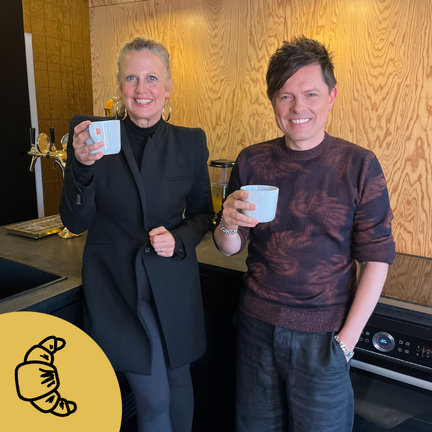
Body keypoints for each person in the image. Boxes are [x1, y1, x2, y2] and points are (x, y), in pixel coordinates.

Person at [213, 36, 396, 432]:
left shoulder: (359, 165)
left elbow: (377, 258)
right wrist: (227, 222)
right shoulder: (253, 159)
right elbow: (229, 248)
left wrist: (346, 342)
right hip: (256, 329)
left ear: (331, 96)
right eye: (286, 96)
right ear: (273, 101)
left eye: (311, 94)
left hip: (324, 339)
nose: (298, 108)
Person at [60, 37, 214, 432]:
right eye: (131, 78)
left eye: (151, 78)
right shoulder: (94, 137)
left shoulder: (190, 142)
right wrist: (80, 166)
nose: (141, 88)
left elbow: (203, 215)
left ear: (168, 87)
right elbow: (75, 222)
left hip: (172, 283)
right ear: (119, 85)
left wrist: (178, 239)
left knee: (179, 380)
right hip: (117, 286)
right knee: (155, 398)